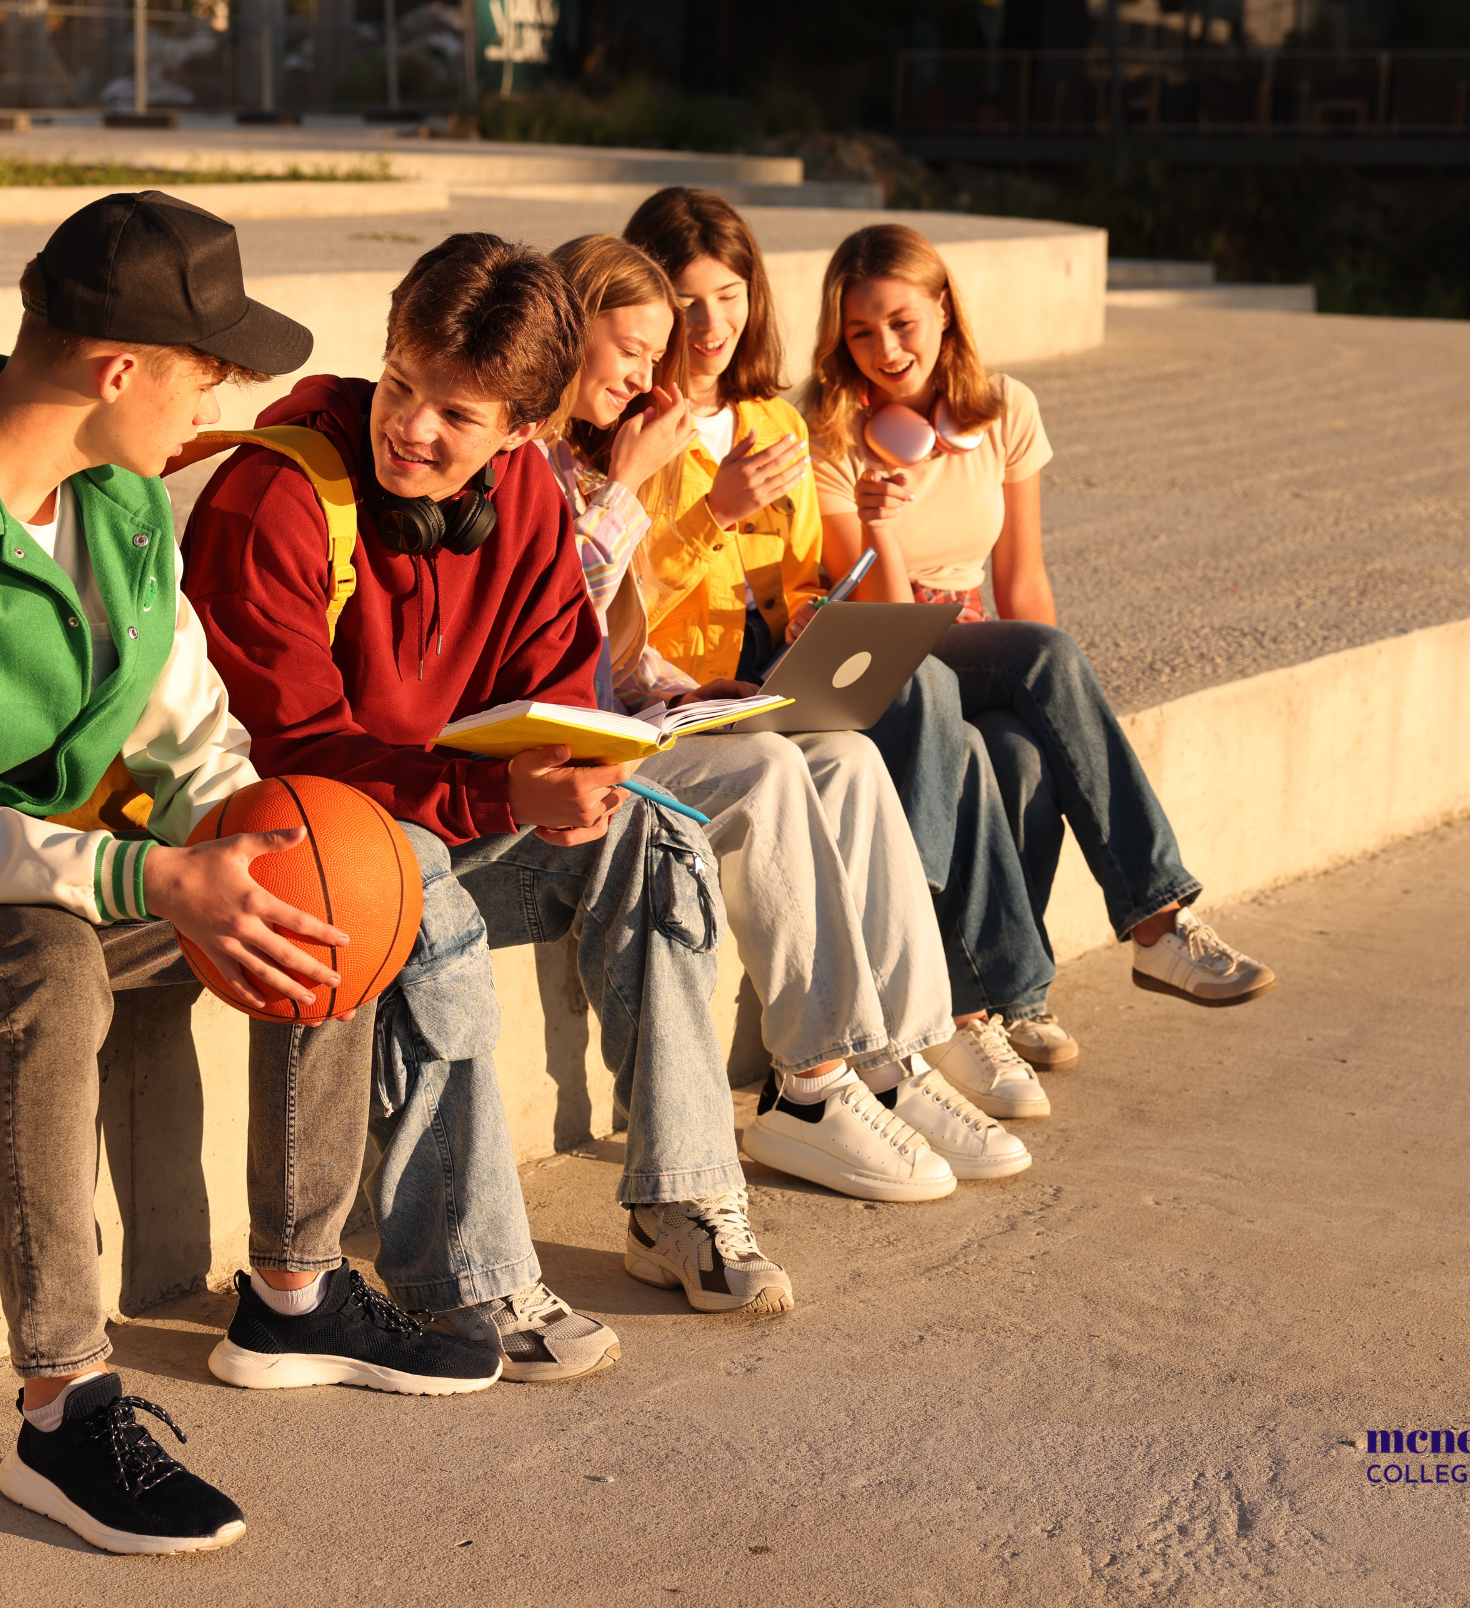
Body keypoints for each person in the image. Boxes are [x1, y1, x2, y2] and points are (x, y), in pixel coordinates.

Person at [0, 193, 498, 1559]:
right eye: (210, 366)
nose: (229, 392)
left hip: (37, 860)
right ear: (117, 367)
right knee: (46, 959)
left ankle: (294, 1289)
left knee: (329, 862)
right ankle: (63, 1405)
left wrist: (249, 835)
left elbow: (192, 731)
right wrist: (150, 879)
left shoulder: (126, 501)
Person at [182, 232, 797, 1381]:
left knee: (657, 837)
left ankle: (681, 1202)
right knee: (414, 884)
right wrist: (489, 790)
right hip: (307, 845)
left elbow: (559, 671)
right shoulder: (269, 498)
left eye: (457, 418)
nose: (412, 428)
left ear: (523, 429)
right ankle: (465, 1281)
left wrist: (577, 773)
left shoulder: (521, 489)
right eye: (402, 386)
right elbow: (293, 757)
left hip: (452, 812)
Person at [539, 232, 1027, 1207]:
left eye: (654, 350)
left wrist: (679, 687)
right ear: (564, 336)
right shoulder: (536, 460)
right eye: (633, 348)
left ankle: (890, 1057)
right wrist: (646, 492)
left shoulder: (616, 448)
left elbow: (620, 647)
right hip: (558, 757)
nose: (650, 370)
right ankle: (807, 1088)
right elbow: (547, 621)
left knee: (843, 753)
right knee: (769, 768)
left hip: (641, 718)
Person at [619, 186, 1062, 1126]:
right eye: (687, 302)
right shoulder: (629, 428)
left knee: (952, 702)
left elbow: (811, 577)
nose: (711, 325)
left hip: (778, 661)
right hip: (686, 688)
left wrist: (831, 599)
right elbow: (614, 610)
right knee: (936, 701)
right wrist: (712, 514)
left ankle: (957, 1008)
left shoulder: (772, 421)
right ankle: (964, 1004)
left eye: (731, 295)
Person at [801, 222, 1276, 1063]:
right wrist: (885, 524)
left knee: (1021, 752)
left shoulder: (1006, 408)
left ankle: (1001, 1002)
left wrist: (1070, 714)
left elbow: (1023, 579)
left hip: (986, 643)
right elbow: (882, 610)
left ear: (944, 308)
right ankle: (1159, 919)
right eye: (860, 331)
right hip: (892, 647)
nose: (884, 348)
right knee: (1044, 664)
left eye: (902, 322)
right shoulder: (830, 429)